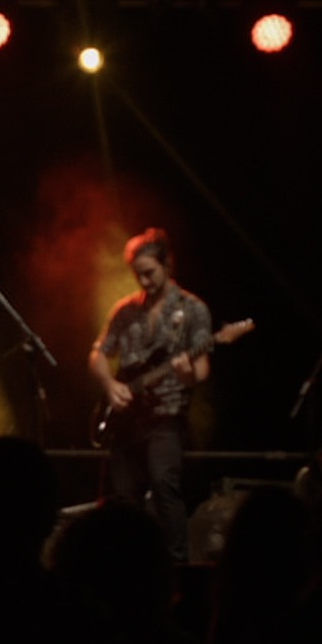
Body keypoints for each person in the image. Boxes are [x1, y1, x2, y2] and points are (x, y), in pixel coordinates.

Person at [89, 227, 212, 564]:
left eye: (150, 273)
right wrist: (110, 386)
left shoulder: (193, 310)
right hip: (126, 421)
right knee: (118, 499)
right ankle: (115, 564)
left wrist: (187, 373)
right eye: (137, 274)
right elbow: (98, 353)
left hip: (165, 418)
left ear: (167, 264)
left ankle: (177, 566)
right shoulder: (124, 311)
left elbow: (201, 371)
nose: (143, 281)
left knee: (164, 485)